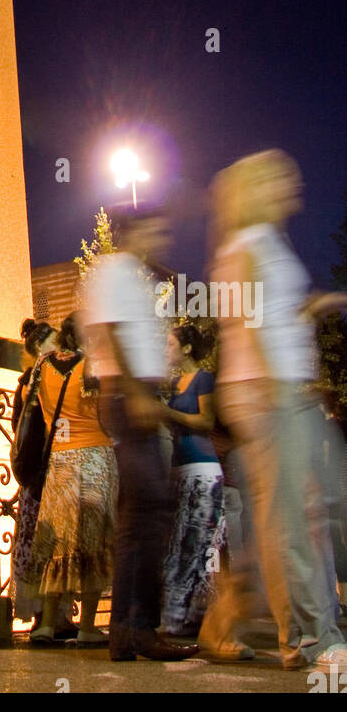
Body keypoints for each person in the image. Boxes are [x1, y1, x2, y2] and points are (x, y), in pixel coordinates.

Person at [198, 150, 347, 670]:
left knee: (312, 511)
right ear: (257, 189)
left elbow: (275, 313)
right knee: (292, 521)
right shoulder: (244, 247)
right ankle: (311, 640)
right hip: (267, 390)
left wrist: (315, 306)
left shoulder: (268, 243)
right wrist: (279, 393)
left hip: (287, 389)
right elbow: (253, 323)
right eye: (282, 178)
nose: (293, 186)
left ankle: (247, 624)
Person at [81, 207, 198, 662]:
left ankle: (128, 630)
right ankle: (137, 627)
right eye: (155, 228)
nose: (161, 236)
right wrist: (136, 392)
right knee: (149, 512)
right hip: (130, 395)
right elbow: (114, 332)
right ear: (137, 231)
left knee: (140, 515)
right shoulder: (114, 271)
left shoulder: (130, 273)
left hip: (134, 393)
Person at [22, 313, 118, 646]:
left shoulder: (41, 368)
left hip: (59, 460)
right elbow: (108, 416)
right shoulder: (93, 367)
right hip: (94, 457)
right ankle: (88, 626)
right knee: (93, 540)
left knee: (57, 541)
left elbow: (31, 410)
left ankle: (47, 623)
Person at [160, 323, 225, 636]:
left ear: (186, 348)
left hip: (203, 469)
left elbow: (206, 420)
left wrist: (168, 414)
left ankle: (201, 615)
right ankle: (178, 615)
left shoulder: (203, 379)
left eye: (170, 344)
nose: (166, 349)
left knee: (200, 543)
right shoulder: (172, 383)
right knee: (179, 543)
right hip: (179, 468)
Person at [10, 319, 55, 629]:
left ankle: (55, 614)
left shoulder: (34, 378)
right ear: (40, 347)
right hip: (44, 471)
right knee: (44, 541)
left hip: (41, 471)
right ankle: (45, 616)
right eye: (56, 341)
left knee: (48, 541)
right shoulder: (35, 380)